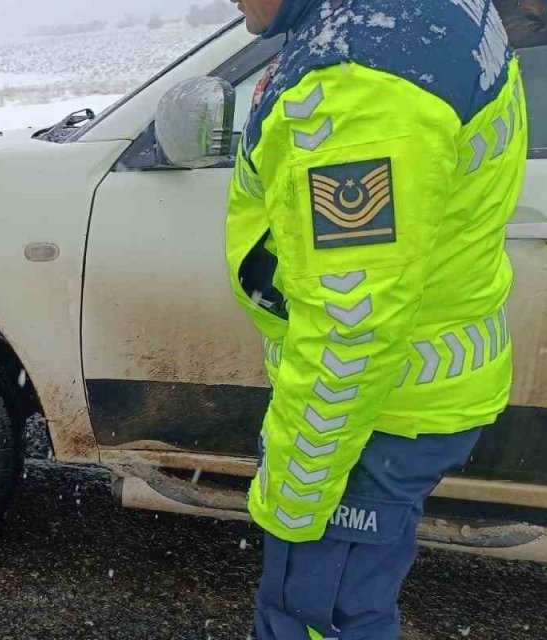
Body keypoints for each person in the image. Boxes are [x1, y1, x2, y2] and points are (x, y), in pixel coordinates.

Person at [226, 0, 527, 637]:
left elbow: (349, 329)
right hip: (415, 389)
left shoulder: (360, 82)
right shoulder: (416, 17)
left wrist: (294, 496)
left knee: (316, 617)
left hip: (371, 413)